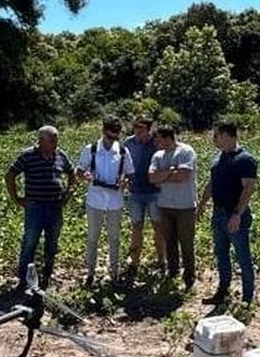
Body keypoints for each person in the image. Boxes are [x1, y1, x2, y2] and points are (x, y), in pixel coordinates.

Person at [5, 125, 74, 289]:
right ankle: (23, 279)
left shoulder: (60, 155)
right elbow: (10, 175)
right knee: (30, 242)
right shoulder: (28, 155)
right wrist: (16, 199)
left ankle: (47, 275)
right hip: (35, 207)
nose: (55, 144)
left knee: (52, 243)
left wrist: (68, 193)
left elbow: (71, 173)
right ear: (41, 141)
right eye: (52, 140)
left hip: (55, 206)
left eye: (56, 140)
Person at [196, 121, 257, 304]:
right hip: (219, 214)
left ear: (227, 136)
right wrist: (201, 204)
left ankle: (247, 299)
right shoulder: (219, 158)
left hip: (235, 214)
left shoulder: (245, 159)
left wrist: (237, 214)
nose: (214, 139)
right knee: (221, 254)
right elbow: (211, 184)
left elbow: (248, 188)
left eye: (217, 135)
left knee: (243, 257)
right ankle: (222, 293)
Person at [75, 116, 135, 285]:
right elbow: (79, 171)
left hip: (115, 201)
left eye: (116, 137)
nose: (113, 140)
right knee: (93, 237)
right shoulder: (91, 149)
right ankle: (90, 274)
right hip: (95, 200)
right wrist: (85, 176)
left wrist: (126, 182)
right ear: (103, 131)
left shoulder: (123, 151)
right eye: (110, 136)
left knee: (114, 238)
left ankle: (114, 273)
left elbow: (131, 174)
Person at [147, 125, 198, 290]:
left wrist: (162, 176)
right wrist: (170, 171)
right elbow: (151, 177)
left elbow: (183, 176)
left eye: (158, 138)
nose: (155, 142)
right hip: (165, 206)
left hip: (185, 206)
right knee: (169, 242)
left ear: (167, 138)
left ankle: (189, 276)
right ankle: (173, 272)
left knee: (186, 243)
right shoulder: (158, 155)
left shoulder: (186, 151)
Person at [122, 116, 165, 275]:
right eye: (136, 128)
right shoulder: (128, 143)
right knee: (136, 227)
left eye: (141, 128)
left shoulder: (157, 142)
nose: (138, 131)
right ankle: (134, 262)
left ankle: (162, 261)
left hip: (155, 192)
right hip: (135, 192)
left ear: (149, 129)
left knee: (158, 227)